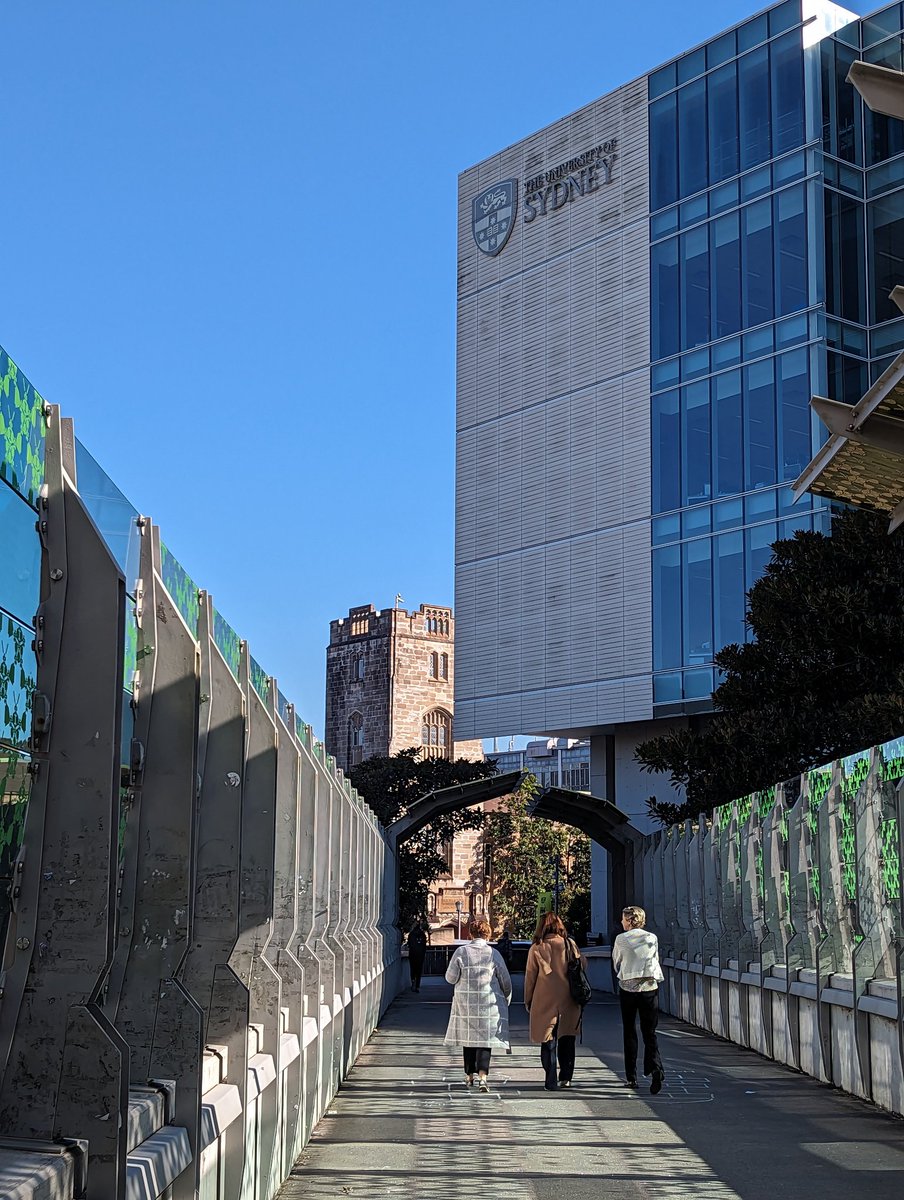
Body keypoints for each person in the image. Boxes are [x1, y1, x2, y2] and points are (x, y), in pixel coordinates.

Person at [444, 915, 512, 1092]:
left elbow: (450, 978)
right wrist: (507, 997)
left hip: (466, 1003)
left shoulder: (461, 952)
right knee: (484, 1041)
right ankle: (483, 1077)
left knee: (469, 1040)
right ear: (488, 935)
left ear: (470, 934)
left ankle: (469, 1076)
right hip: (488, 1002)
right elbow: (505, 979)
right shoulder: (493, 953)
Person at [524, 911, 586, 1090]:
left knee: (548, 1038)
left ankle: (550, 1078)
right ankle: (566, 1077)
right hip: (569, 998)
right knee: (567, 1037)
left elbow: (530, 977)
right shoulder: (569, 944)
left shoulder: (537, 947)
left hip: (545, 998)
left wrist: (528, 1000)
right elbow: (582, 966)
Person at [612, 905, 665, 1094]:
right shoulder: (652, 938)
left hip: (628, 987)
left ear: (630, 921)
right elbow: (655, 959)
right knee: (649, 1031)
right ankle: (656, 1068)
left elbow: (616, 962)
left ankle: (631, 1077)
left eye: (623, 919)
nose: (621, 922)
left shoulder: (621, 939)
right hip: (650, 987)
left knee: (629, 1031)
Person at [407, 921, 428, 992]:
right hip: (420, 955)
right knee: (419, 971)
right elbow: (424, 945)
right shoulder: (422, 934)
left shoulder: (411, 934)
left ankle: (413, 982)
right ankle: (417, 986)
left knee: (413, 969)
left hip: (412, 954)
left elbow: (409, 944)